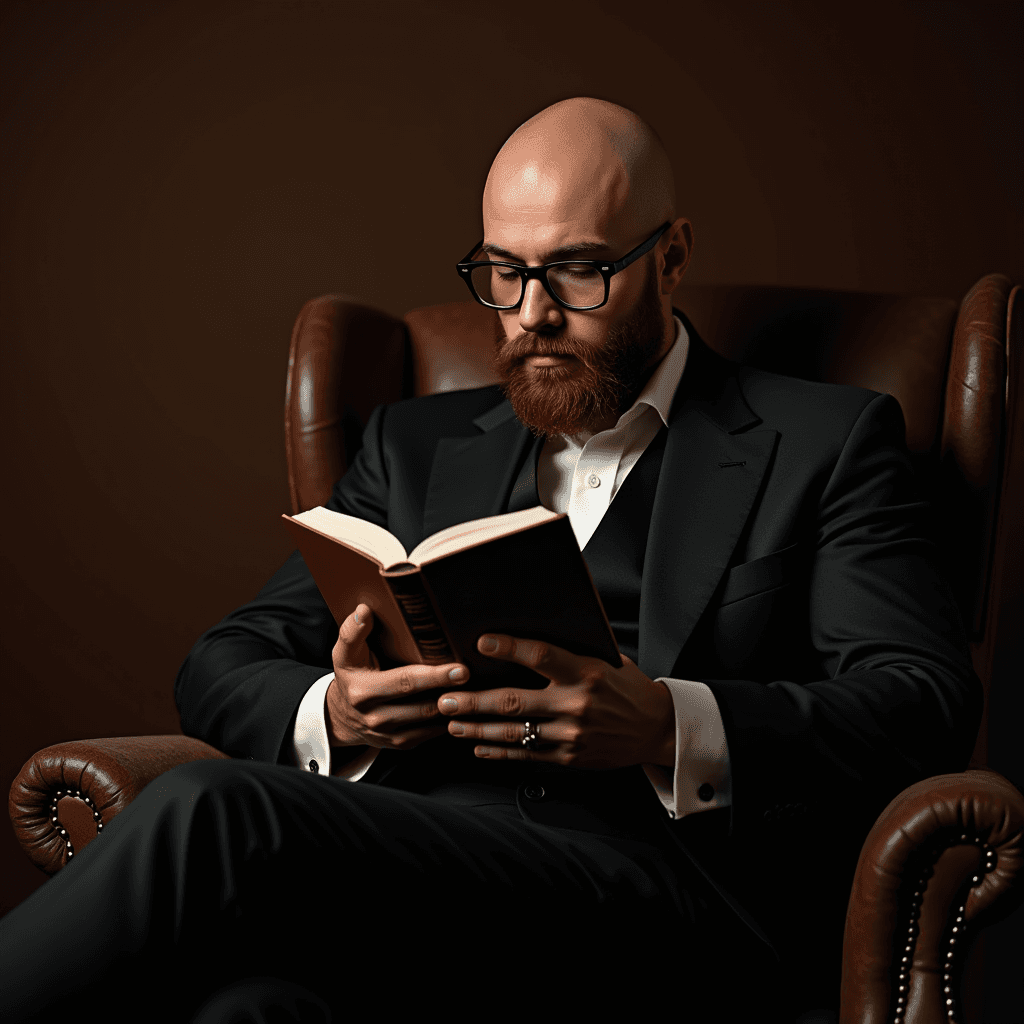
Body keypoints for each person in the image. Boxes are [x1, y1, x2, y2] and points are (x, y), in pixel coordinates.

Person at [0, 97, 980, 1023]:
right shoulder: (413, 446)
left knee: (207, 812)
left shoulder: (827, 438)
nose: (529, 315)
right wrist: (332, 713)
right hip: (416, 873)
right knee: (242, 1012)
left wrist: (667, 724)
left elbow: (921, 697)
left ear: (671, 257)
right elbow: (223, 659)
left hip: (664, 899)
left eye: (578, 271)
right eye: (502, 272)